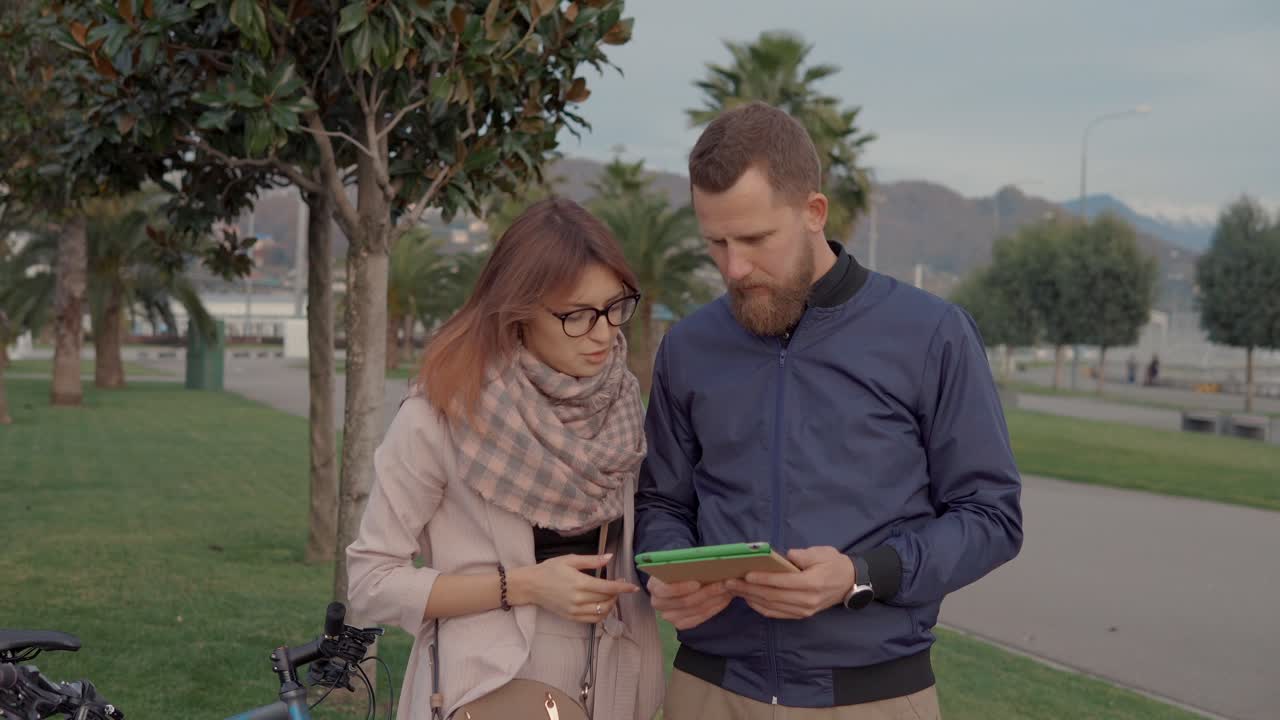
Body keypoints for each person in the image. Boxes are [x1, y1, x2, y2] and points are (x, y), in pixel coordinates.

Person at [634, 102, 1024, 719]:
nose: (734, 268)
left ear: (813, 213)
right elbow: (660, 503)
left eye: (756, 240)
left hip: (874, 697)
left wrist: (859, 576)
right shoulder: (688, 347)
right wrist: (667, 574)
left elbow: (991, 517)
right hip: (708, 693)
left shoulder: (932, 334)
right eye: (716, 243)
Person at [347, 198, 665, 720]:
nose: (605, 333)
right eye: (578, 316)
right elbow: (370, 583)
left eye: (615, 307)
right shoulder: (443, 412)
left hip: (609, 685)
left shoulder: (623, 405)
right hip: (489, 690)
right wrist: (522, 586)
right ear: (517, 311)